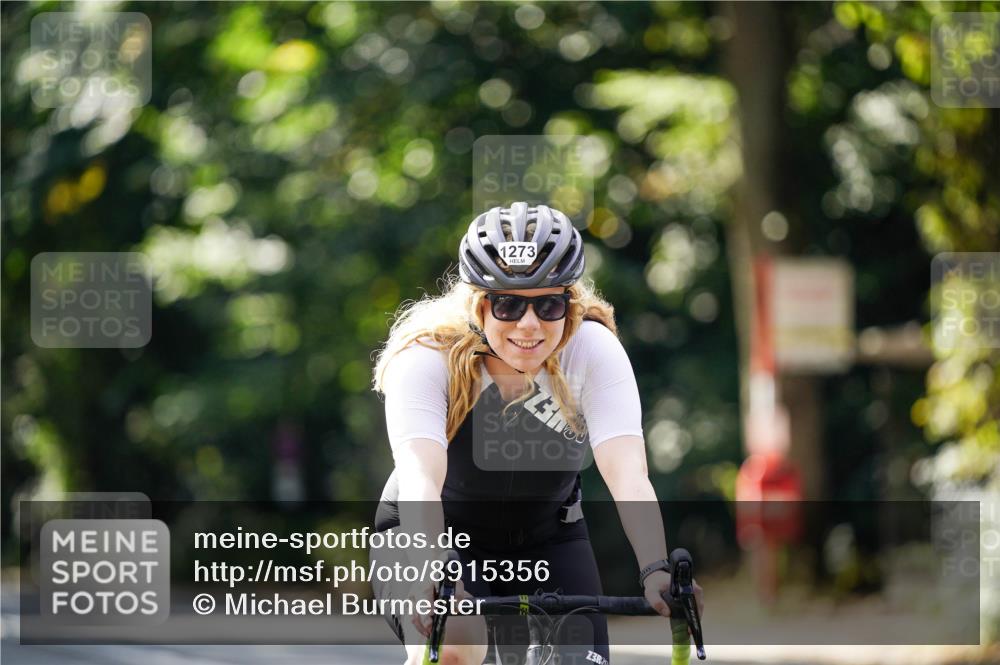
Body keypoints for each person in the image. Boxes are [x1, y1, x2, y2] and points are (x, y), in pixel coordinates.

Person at [370, 202, 702, 665]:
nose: (529, 325)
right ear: (477, 304)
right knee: (458, 641)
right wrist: (431, 572)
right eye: (508, 304)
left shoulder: (590, 349)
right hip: (436, 535)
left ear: (569, 302)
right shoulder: (427, 357)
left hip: (550, 537)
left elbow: (628, 474)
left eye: (548, 305)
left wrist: (655, 568)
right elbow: (421, 476)